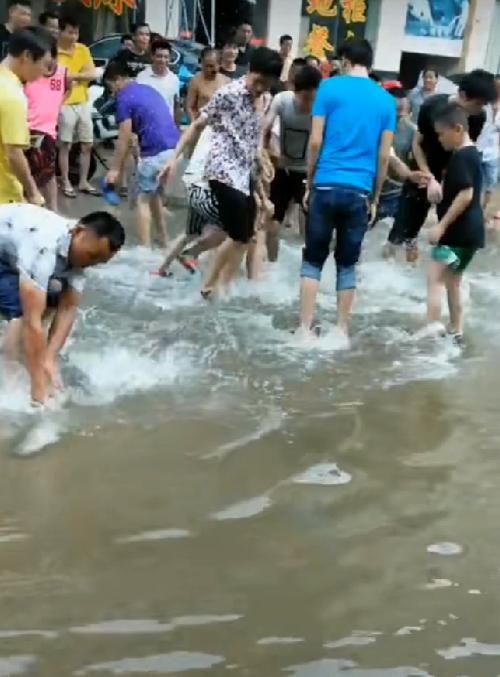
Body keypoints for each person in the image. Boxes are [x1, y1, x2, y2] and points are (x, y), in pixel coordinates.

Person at [160, 46, 283, 297]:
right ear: (250, 71)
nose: (260, 88)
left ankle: (214, 284)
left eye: (267, 84)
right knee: (239, 233)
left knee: (246, 236)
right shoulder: (228, 93)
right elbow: (196, 125)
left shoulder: (262, 99)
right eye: (259, 81)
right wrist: (173, 159)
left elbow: (251, 143)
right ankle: (208, 283)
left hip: (243, 173)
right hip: (221, 171)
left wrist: (261, 168)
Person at [299, 38, 396, 340]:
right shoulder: (386, 101)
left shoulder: (328, 88)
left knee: (313, 259)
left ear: (345, 59)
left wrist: (309, 182)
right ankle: (341, 331)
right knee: (347, 264)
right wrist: (376, 196)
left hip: (326, 184)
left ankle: (304, 328)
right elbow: (384, 155)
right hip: (359, 191)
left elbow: (315, 141)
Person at [0, 204, 125, 405]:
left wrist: (49, 358)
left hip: (12, 250)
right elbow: (32, 321)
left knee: (52, 297)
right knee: (23, 313)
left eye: (99, 262)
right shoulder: (43, 246)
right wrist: (38, 392)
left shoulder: (78, 254)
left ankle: (25, 354)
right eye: (91, 256)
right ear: (77, 232)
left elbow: (68, 308)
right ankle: (9, 376)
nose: (89, 264)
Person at [385, 69, 497, 262]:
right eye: (478, 104)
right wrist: (429, 177)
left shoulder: (477, 118)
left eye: (483, 105)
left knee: (443, 229)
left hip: (452, 173)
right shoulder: (431, 106)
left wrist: (445, 181)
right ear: (462, 96)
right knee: (405, 226)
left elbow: (462, 150)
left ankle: (420, 271)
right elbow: (417, 144)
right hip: (422, 170)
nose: (480, 109)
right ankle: (388, 265)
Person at [104, 59, 180, 248]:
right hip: (174, 149)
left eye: (111, 86)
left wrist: (114, 169)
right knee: (153, 194)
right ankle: (164, 239)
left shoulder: (124, 97)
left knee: (142, 200)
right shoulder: (147, 89)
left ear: (118, 79)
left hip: (155, 152)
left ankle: (143, 251)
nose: (112, 92)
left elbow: (123, 136)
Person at [425, 103, 484, 341]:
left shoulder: (462, 156)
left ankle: (432, 327)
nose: (440, 139)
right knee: (451, 281)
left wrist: (441, 225)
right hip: (468, 234)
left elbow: (466, 193)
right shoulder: (471, 154)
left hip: (457, 234)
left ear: (458, 129)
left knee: (435, 277)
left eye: (441, 134)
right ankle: (455, 329)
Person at [263, 65, 322, 260]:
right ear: (294, 90)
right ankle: (272, 264)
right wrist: (265, 156)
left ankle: (308, 267)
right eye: (304, 98)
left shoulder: (321, 109)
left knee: (309, 221)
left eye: (312, 99)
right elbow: (265, 128)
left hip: (308, 171)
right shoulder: (283, 100)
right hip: (283, 168)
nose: (308, 104)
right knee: (273, 220)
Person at [0, 27, 53, 207]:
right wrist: (33, 192)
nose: (44, 73)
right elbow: (14, 153)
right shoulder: (12, 94)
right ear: (27, 56)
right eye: (45, 65)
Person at [24, 39, 68, 212]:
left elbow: (68, 88)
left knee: (48, 172)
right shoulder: (29, 73)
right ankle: (30, 207)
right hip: (27, 128)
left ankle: (53, 210)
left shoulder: (63, 73)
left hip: (48, 131)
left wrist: (58, 104)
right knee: (28, 171)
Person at [57, 15, 98, 198]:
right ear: (61, 31)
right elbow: (56, 77)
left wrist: (73, 77)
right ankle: (65, 180)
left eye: (76, 32)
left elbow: (92, 74)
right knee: (65, 144)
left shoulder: (83, 49)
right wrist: (80, 74)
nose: (74, 36)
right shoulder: (53, 51)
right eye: (70, 32)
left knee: (87, 144)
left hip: (82, 102)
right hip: (63, 103)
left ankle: (83, 181)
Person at [376, 88, 416, 226]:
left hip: (395, 193)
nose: (399, 117)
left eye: (402, 113)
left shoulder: (412, 131)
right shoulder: (372, 126)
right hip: (369, 190)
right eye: (395, 112)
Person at [137, 39, 180, 121]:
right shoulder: (142, 78)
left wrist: (176, 130)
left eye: (166, 57)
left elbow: (176, 106)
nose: (163, 60)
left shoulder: (174, 79)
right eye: (159, 56)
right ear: (152, 56)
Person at [186, 48, 228, 121]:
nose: (208, 69)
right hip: (203, 125)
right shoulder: (195, 81)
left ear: (219, 65)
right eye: (206, 66)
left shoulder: (226, 81)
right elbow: (189, 107)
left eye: (212, 66)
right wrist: (194, 124)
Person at [476, 101, 500, 224]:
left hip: (494, 153)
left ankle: (483, 212)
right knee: (474, 183)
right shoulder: (483, 104)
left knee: (490, 184)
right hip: (478, 149)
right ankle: (472, 211)